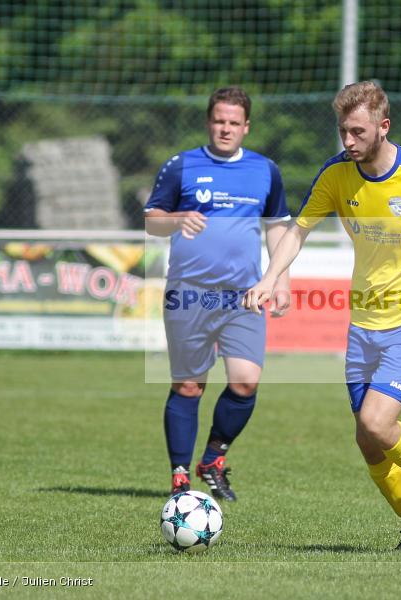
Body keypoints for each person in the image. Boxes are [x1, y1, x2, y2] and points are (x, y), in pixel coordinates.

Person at [244, 81, 401, 551]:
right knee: (368, 439)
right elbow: (299, 230)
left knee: (377, 422)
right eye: (344, 132)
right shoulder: (336, 174)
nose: (349, 142)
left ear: (384, 126)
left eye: (358, 132)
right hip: (364, 322)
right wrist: (270, 277)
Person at [145, 86, 291, 501]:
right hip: (189, 293)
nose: (225, 128)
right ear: (209, 122)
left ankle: (212, 459)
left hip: (243, 296)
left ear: (246, 127)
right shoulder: (181, 166)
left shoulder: (265, 171)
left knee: (245, 383)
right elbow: (152, 219)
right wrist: (175, 218)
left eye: (233, 122)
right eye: (219, 121)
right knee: (189, 386)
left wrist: (281, 279)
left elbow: (277, 226)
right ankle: (179, 475)